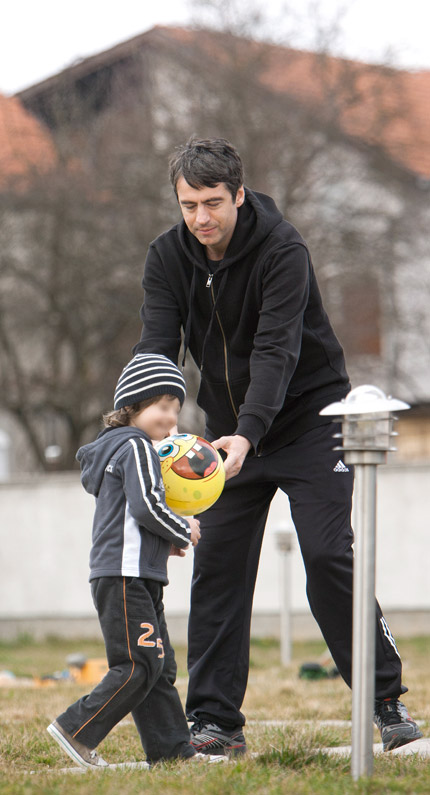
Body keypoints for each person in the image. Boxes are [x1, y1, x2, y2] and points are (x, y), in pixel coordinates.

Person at [133, 137, 422, 756]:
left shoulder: (282, 248)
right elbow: (158, 348)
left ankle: (385, 700)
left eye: (213, 202)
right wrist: (146, 427)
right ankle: (214, 723)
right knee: (217, 571)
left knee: (327, 555)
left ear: (239, 194)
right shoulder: (166, 257)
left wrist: (250, 430)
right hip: (226, 437)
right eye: (188, 205)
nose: (201, 218)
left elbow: (277, 349)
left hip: (311, 422)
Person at [47, 353, 224, 768]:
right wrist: (183, 529)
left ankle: (172, 752)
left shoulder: (119, 448)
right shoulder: (137, 447)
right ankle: (76, 729)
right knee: (138, 664)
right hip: (125, 576)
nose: (171, 418)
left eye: (177, 409)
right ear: (133, 406)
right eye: (162, 407)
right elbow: (147, 506)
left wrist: (165, 545)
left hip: (132, 573)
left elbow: (131, 515)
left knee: (159, 666)